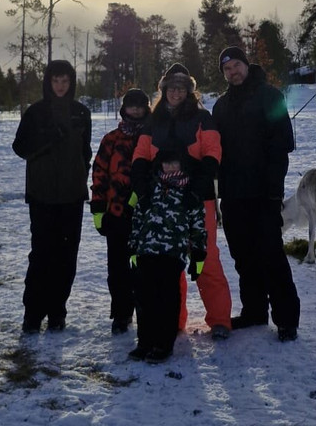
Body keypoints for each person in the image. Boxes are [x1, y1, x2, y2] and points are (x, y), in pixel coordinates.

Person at [132, 63, 233, 339]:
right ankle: (172, 319)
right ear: (163, 91)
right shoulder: (153, 121)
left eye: (181, 88)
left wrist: (198, 188)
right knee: (168, 262)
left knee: (207, 258)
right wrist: (141, 185)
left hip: (198, 199)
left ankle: (220, 320)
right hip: (163, 201)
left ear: (189, 91)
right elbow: (141, 155)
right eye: (170, 88)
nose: (175, 92)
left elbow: (213, 153)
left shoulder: (203, 118)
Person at [211, 46, 301, 342]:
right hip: (233, 195)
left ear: (246, 66)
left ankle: (286, 320)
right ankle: (254, 310)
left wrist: (274, 191)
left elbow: (282, 145)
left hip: (264, 193)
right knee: (243, 257)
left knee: (271, 255)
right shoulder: (221, 106)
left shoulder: (270, 96)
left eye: (236, 65)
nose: (233, 71)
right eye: (227, 69)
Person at [11, 59, 92, 335]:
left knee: (67, 257)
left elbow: (85, 152)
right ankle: (33, 313)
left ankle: (58, 311)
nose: (60, 86)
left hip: (71, 196)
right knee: (42, 255)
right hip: (42, 196)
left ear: (72, 83)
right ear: (48, 82)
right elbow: (20, 147)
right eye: (56, 81)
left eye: (65, 81)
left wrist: (81, 175)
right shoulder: (35, 113)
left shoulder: (81, 113)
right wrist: (47, 139)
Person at [128, 153, 207, 364]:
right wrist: (133, 247)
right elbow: (137, 217)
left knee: (167, 299)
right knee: (144, 298)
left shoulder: (189, 192)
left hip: (172, 255)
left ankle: (163, 343)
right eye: (167, 162)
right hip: (146, 251)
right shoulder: (150, 188)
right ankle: (145, 342)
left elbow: (198, 226)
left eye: (175, 161)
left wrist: (199, 255)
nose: (170, 166)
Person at [90, 87, 150, 335]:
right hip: (115, 215)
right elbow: (99, 173)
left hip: (145, 217)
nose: (135, 109)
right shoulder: (111, 139)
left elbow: (153, 174)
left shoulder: (151, 137)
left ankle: (147, 312)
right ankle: (122, 313)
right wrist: (98, 209)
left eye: (139, 105)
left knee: (144, 268)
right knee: (117, 268)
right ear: (123, 109)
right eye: (131, 105)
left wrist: (138, 200)